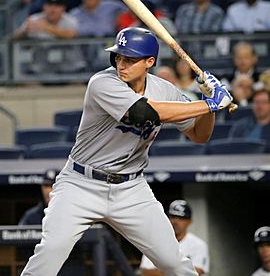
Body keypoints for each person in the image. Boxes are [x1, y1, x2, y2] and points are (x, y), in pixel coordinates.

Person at [20, 27, 233, 276]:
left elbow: (200, 135)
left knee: (175, 263)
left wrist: (209, 108)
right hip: (81, 183)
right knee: (50, 251)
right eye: (119, 56)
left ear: (149, 62)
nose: (122, 64)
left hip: (131, 188)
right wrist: (208, 103)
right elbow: (144, 112)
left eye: (130, 59)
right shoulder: (102, 82)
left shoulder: (165, 90)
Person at [19, 171, 85, 276]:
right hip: (44, 267)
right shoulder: (31, 216)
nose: (49, 190)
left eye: (52, 185)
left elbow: (86, 246)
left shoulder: (75, 213)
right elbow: (20, 247)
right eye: (46, 186)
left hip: (70, 267)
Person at [140, 200, 209, 276]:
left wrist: (162, 272)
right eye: (173, 217)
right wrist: (179, 271)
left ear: (189, 221)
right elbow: (146, 271)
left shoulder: (198, 244)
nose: (175, 221)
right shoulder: (155, 241)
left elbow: (197, 272)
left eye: (181, 218)